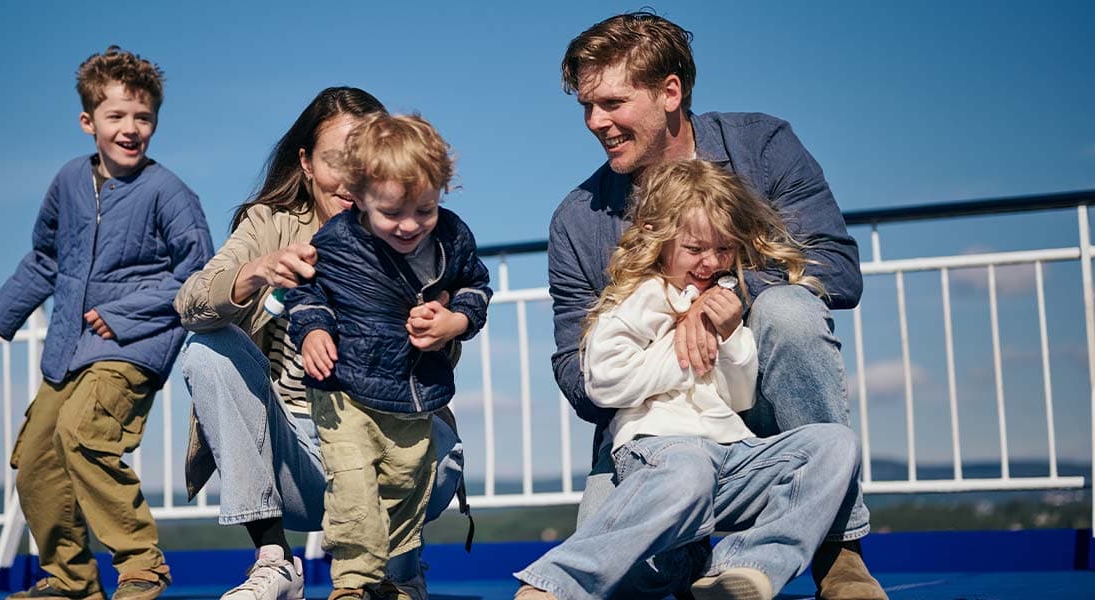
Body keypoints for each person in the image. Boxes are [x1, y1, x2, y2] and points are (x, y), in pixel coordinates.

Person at [547, 12, 886, 600]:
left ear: (670, 91)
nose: (594, 122)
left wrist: (727, 297)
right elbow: (577, 376)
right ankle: (702, 558)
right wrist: (672, 342)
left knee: (789, 310)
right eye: (586, 107)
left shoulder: (763, 146)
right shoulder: (578, 219)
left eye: (611, 103)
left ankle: (839, 554)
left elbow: (835, 264)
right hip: (652, 437)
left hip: (757, 410)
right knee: (623, 583)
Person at [517, 159, 862, 600]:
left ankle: (745, 566)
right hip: (661, 448)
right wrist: (681, 352)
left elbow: (738, 396)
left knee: (835, 445)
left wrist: (732, 335)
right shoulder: (642, 297)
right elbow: (603, 380)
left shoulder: (723, 298)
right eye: (695, 249)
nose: (710, 262)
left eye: (724, 250)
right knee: (684, 481)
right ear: (661, 243)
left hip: (729, 450)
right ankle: (555, 583)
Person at [176, 89, 468, 600]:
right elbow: (189, 303)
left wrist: (445, 323)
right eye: (339, 161)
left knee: (440, 451)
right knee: (207, 348)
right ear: (307, 164)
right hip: (292, 456)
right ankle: (273, 562)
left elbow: (456, 329)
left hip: (383, 443)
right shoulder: (269, 224)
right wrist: (256, 271)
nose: (353, 180)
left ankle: (397, 575)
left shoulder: (412, 234)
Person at [0, 46, 213, 600]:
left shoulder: (168, 192)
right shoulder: (68, 182)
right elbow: (45, 258)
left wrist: (122, 312)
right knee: (35, 459)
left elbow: (199, 276)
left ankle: (140, 567)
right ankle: (71, 580)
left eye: (143, 117)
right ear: (89, 122)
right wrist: (1, 312)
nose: (131, 128)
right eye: (117, 116)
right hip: (66, 349)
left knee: (84, 433)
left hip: (134, 346)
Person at [283, 113, 491, 600]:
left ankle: (391, 578)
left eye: (424, 209)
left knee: (404, 484)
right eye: (391, 213)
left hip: (414, 390)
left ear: (441, 190)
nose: (409, 225)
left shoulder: (452, 238)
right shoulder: (336, 242)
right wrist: (313, 332)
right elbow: (306, 295)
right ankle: (351, 585)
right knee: (354, 484)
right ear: (358, 195)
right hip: (344, 390)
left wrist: (455, 321)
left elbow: (475, 289)